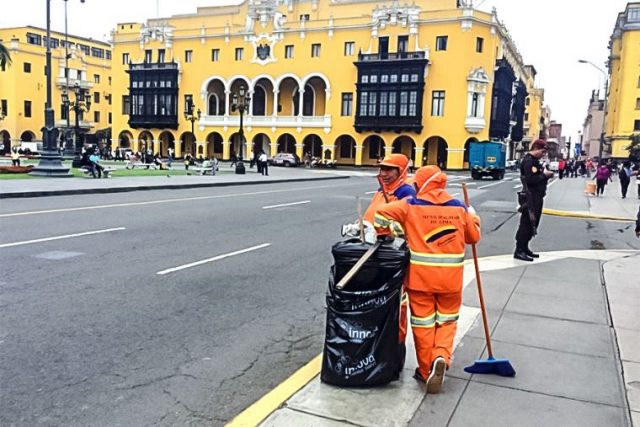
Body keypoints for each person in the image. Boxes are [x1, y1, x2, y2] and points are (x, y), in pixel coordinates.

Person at [373, 165, 481, 394]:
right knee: (447, 322)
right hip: (450, 281)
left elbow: (380, 214)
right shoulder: (459, 207)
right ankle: (441, 355)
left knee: (423, 324)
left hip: (420, 280)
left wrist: (389, 232)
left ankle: (424, 370)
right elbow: (473, 237)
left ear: (421, 183)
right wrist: (473, 216)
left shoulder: (411, 205)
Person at [514, 139, 553, 262]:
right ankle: (519, 250)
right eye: (542, 151)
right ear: (536, 148)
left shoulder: (534, 161)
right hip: (531, 197)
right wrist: (545, 175)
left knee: (533, 224)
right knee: (527, 223)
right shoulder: (529, 161)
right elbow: (531, 180)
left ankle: (525, 247)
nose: (543, 154)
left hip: (536, 196)